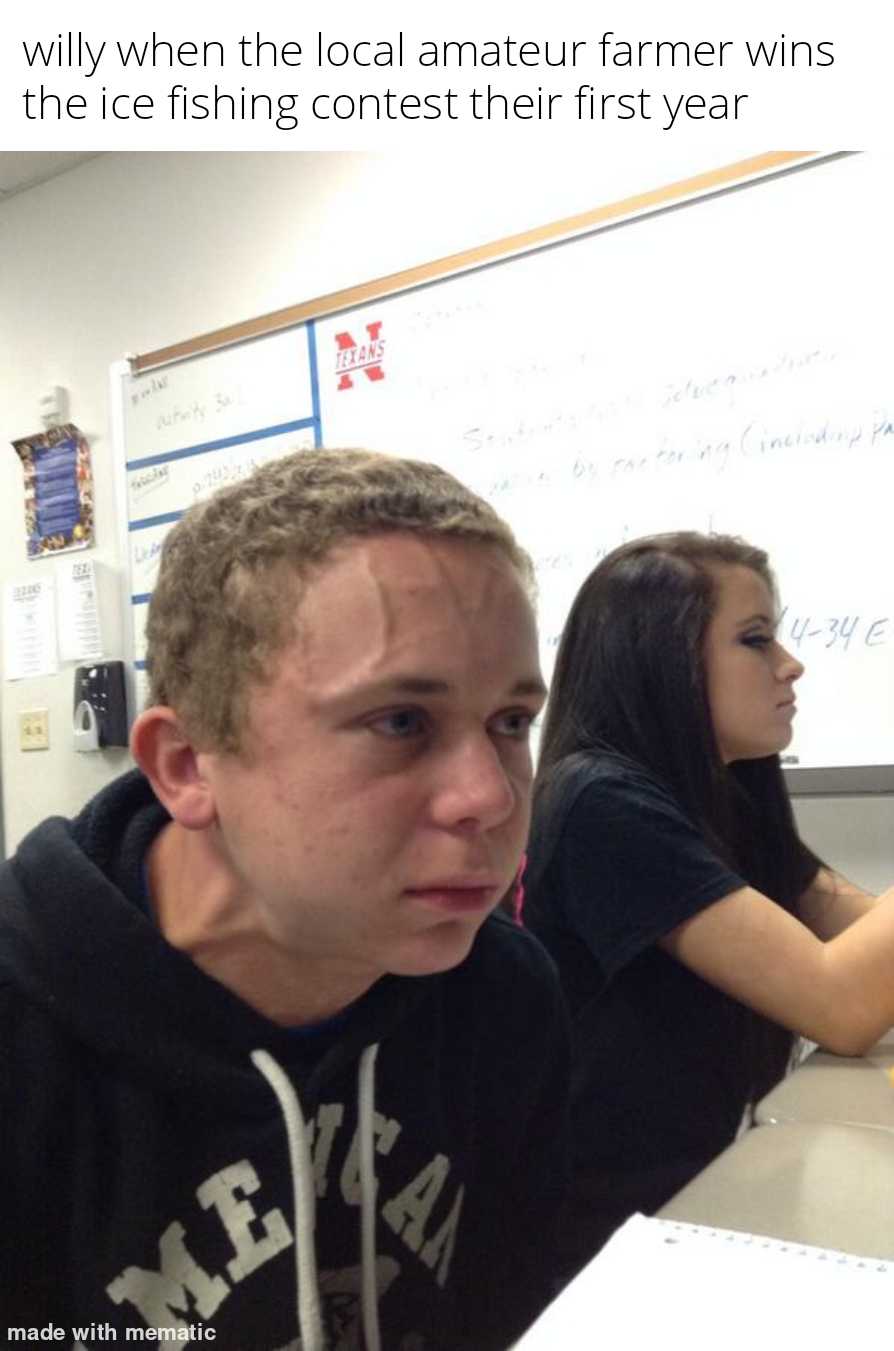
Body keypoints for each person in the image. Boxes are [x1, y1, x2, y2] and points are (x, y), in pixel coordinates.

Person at [0, 449, 570, 1350]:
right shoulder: (26, 1040)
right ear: (187, 767)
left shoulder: (502, 999)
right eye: (401, 721)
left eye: (510, 723)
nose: (492, 797)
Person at [523, 530, 894, 1273]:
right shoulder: (600, 800)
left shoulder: (723, 791)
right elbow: (841, 1006)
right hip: (617, 1241)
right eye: (756, 640)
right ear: (660, 659)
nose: (792, 665)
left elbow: (852, 929)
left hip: (721, 1176)